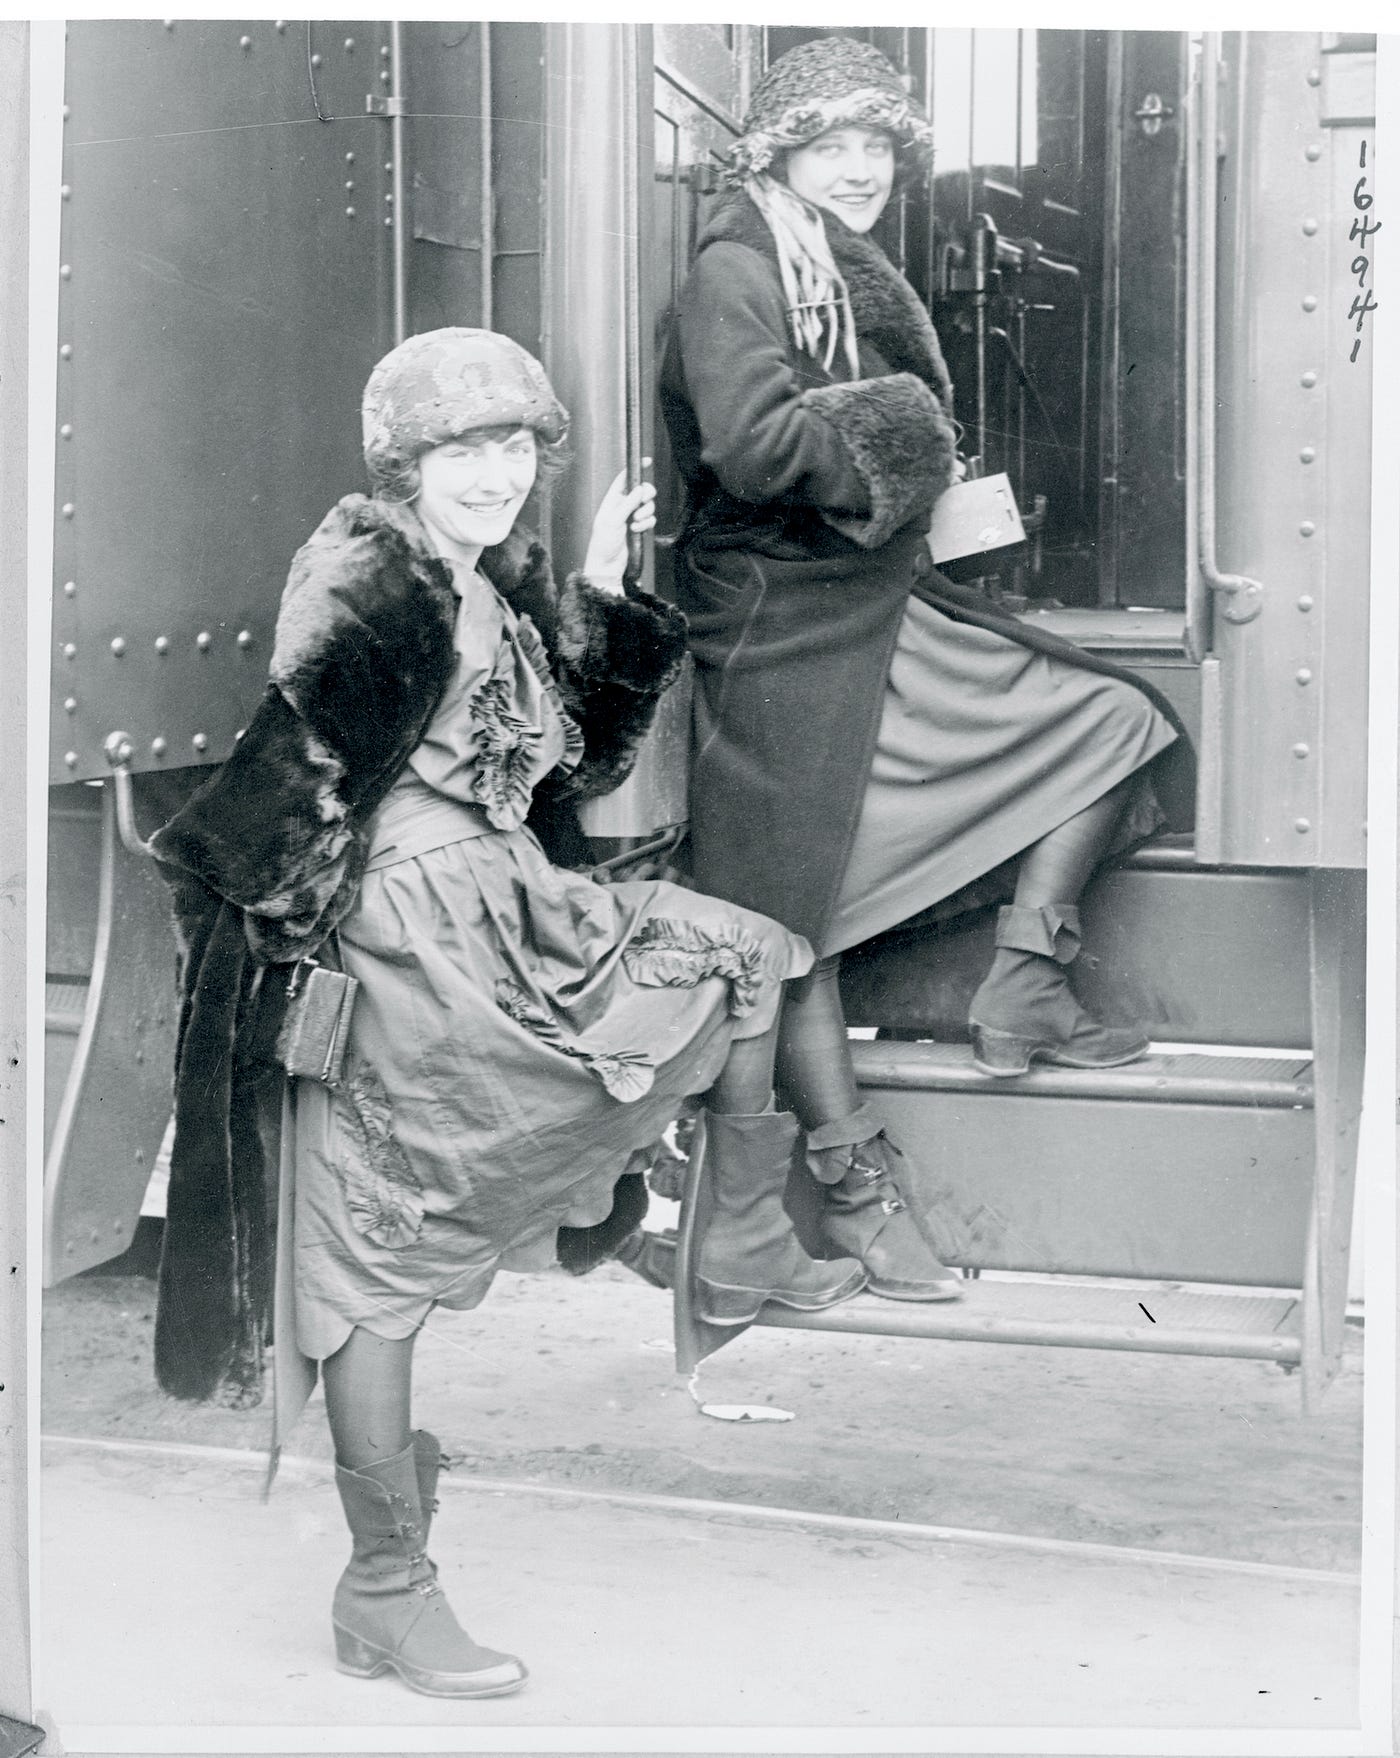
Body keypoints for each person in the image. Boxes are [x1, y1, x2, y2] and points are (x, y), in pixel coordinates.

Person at [147, 328, 875, 1700]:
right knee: (377, 1265)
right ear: (406, 463)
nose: (494, 472)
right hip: (409, 943)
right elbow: (285, 787)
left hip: (506, 907)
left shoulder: (489, 581)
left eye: (515, 445)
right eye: (462, 449)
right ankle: (386, 1588)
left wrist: (594, 592)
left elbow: (572, 761)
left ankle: (739, 1238)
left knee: (746, 957)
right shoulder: (368, 580)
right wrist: (293, 974)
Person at [659, 37, 1193, 1300]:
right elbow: (749, 446)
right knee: (786, 930)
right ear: (778, 153)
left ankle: (1022, 982)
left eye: (876, 150)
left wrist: (919, 478)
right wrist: (911, 436)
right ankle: (842, 1198)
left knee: (1113, 720)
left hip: (864, 599)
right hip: (777, 623)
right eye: (830, 146)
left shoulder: (826, 261)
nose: (857, 170)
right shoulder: (737, 267)